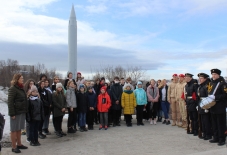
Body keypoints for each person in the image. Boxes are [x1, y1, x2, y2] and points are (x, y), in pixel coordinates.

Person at [8, 73, 28, 153]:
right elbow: (10, 102)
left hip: (21, 111)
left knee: (19, 129)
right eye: (21, 78)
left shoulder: (21, 88)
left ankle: (19, 144)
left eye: (22, 78)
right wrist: (12, 113)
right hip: (15, 113)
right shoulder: (13, 88)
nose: (22, 80)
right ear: (17, 79)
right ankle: (13, 146)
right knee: (14, 130)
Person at [208, 69, 227, 146]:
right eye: (212, 74)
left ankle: (221, 139)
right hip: (213, 106)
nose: (213, 76)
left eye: (215, 74)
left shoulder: (223, 84)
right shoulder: (212, 83)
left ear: (218, 75)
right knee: (214, 123)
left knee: (220, 124)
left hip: (220, 106)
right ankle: (215, 137)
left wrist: (215, 97)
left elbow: (225, 95)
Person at [197, 73, 212, 140]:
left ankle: (208, 134)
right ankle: (204, 133)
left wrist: (207, 107)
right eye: (199, 78)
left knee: (207, 121)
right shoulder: (200, 86)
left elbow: (209, 97)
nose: (200, 80)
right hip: (201, 104)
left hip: (206, 104)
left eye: (201, 78)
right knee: (202, 120)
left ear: (205, 79)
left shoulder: (207, 85)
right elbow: (199, 97)